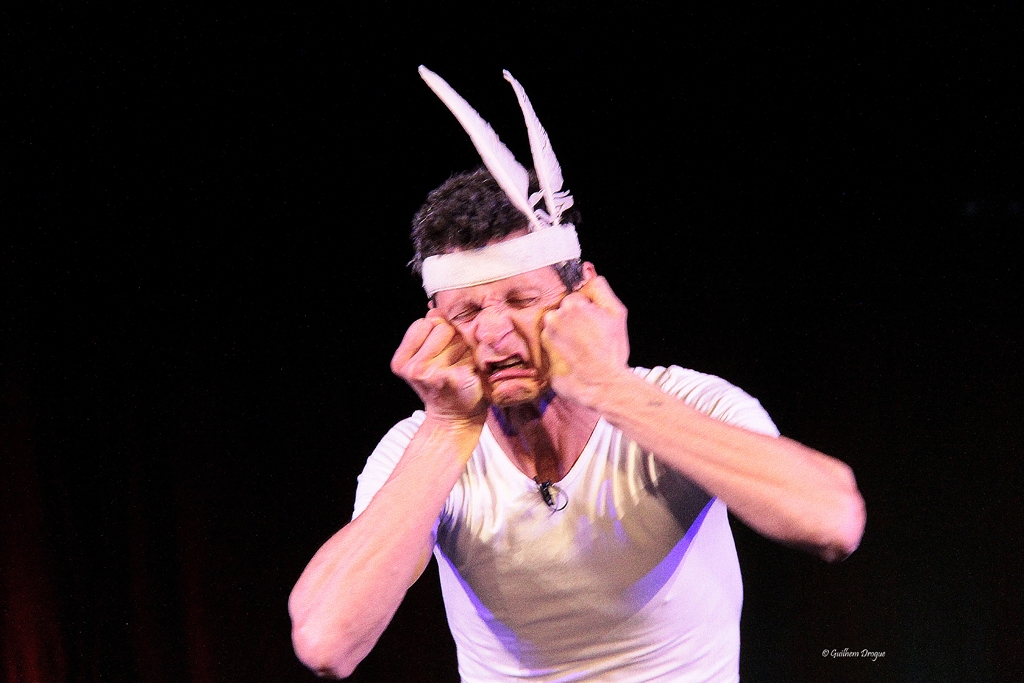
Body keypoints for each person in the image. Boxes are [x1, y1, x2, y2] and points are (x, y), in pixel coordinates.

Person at [288, 68, 866, 682]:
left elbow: (832, 521)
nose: (492, 333)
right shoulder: (419, 448)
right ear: (435, 326)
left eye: (521, 301)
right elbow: (326, 642)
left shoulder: (678, 401)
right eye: (466, 313)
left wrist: (612, 390)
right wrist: (447, 427)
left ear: (582, 294)